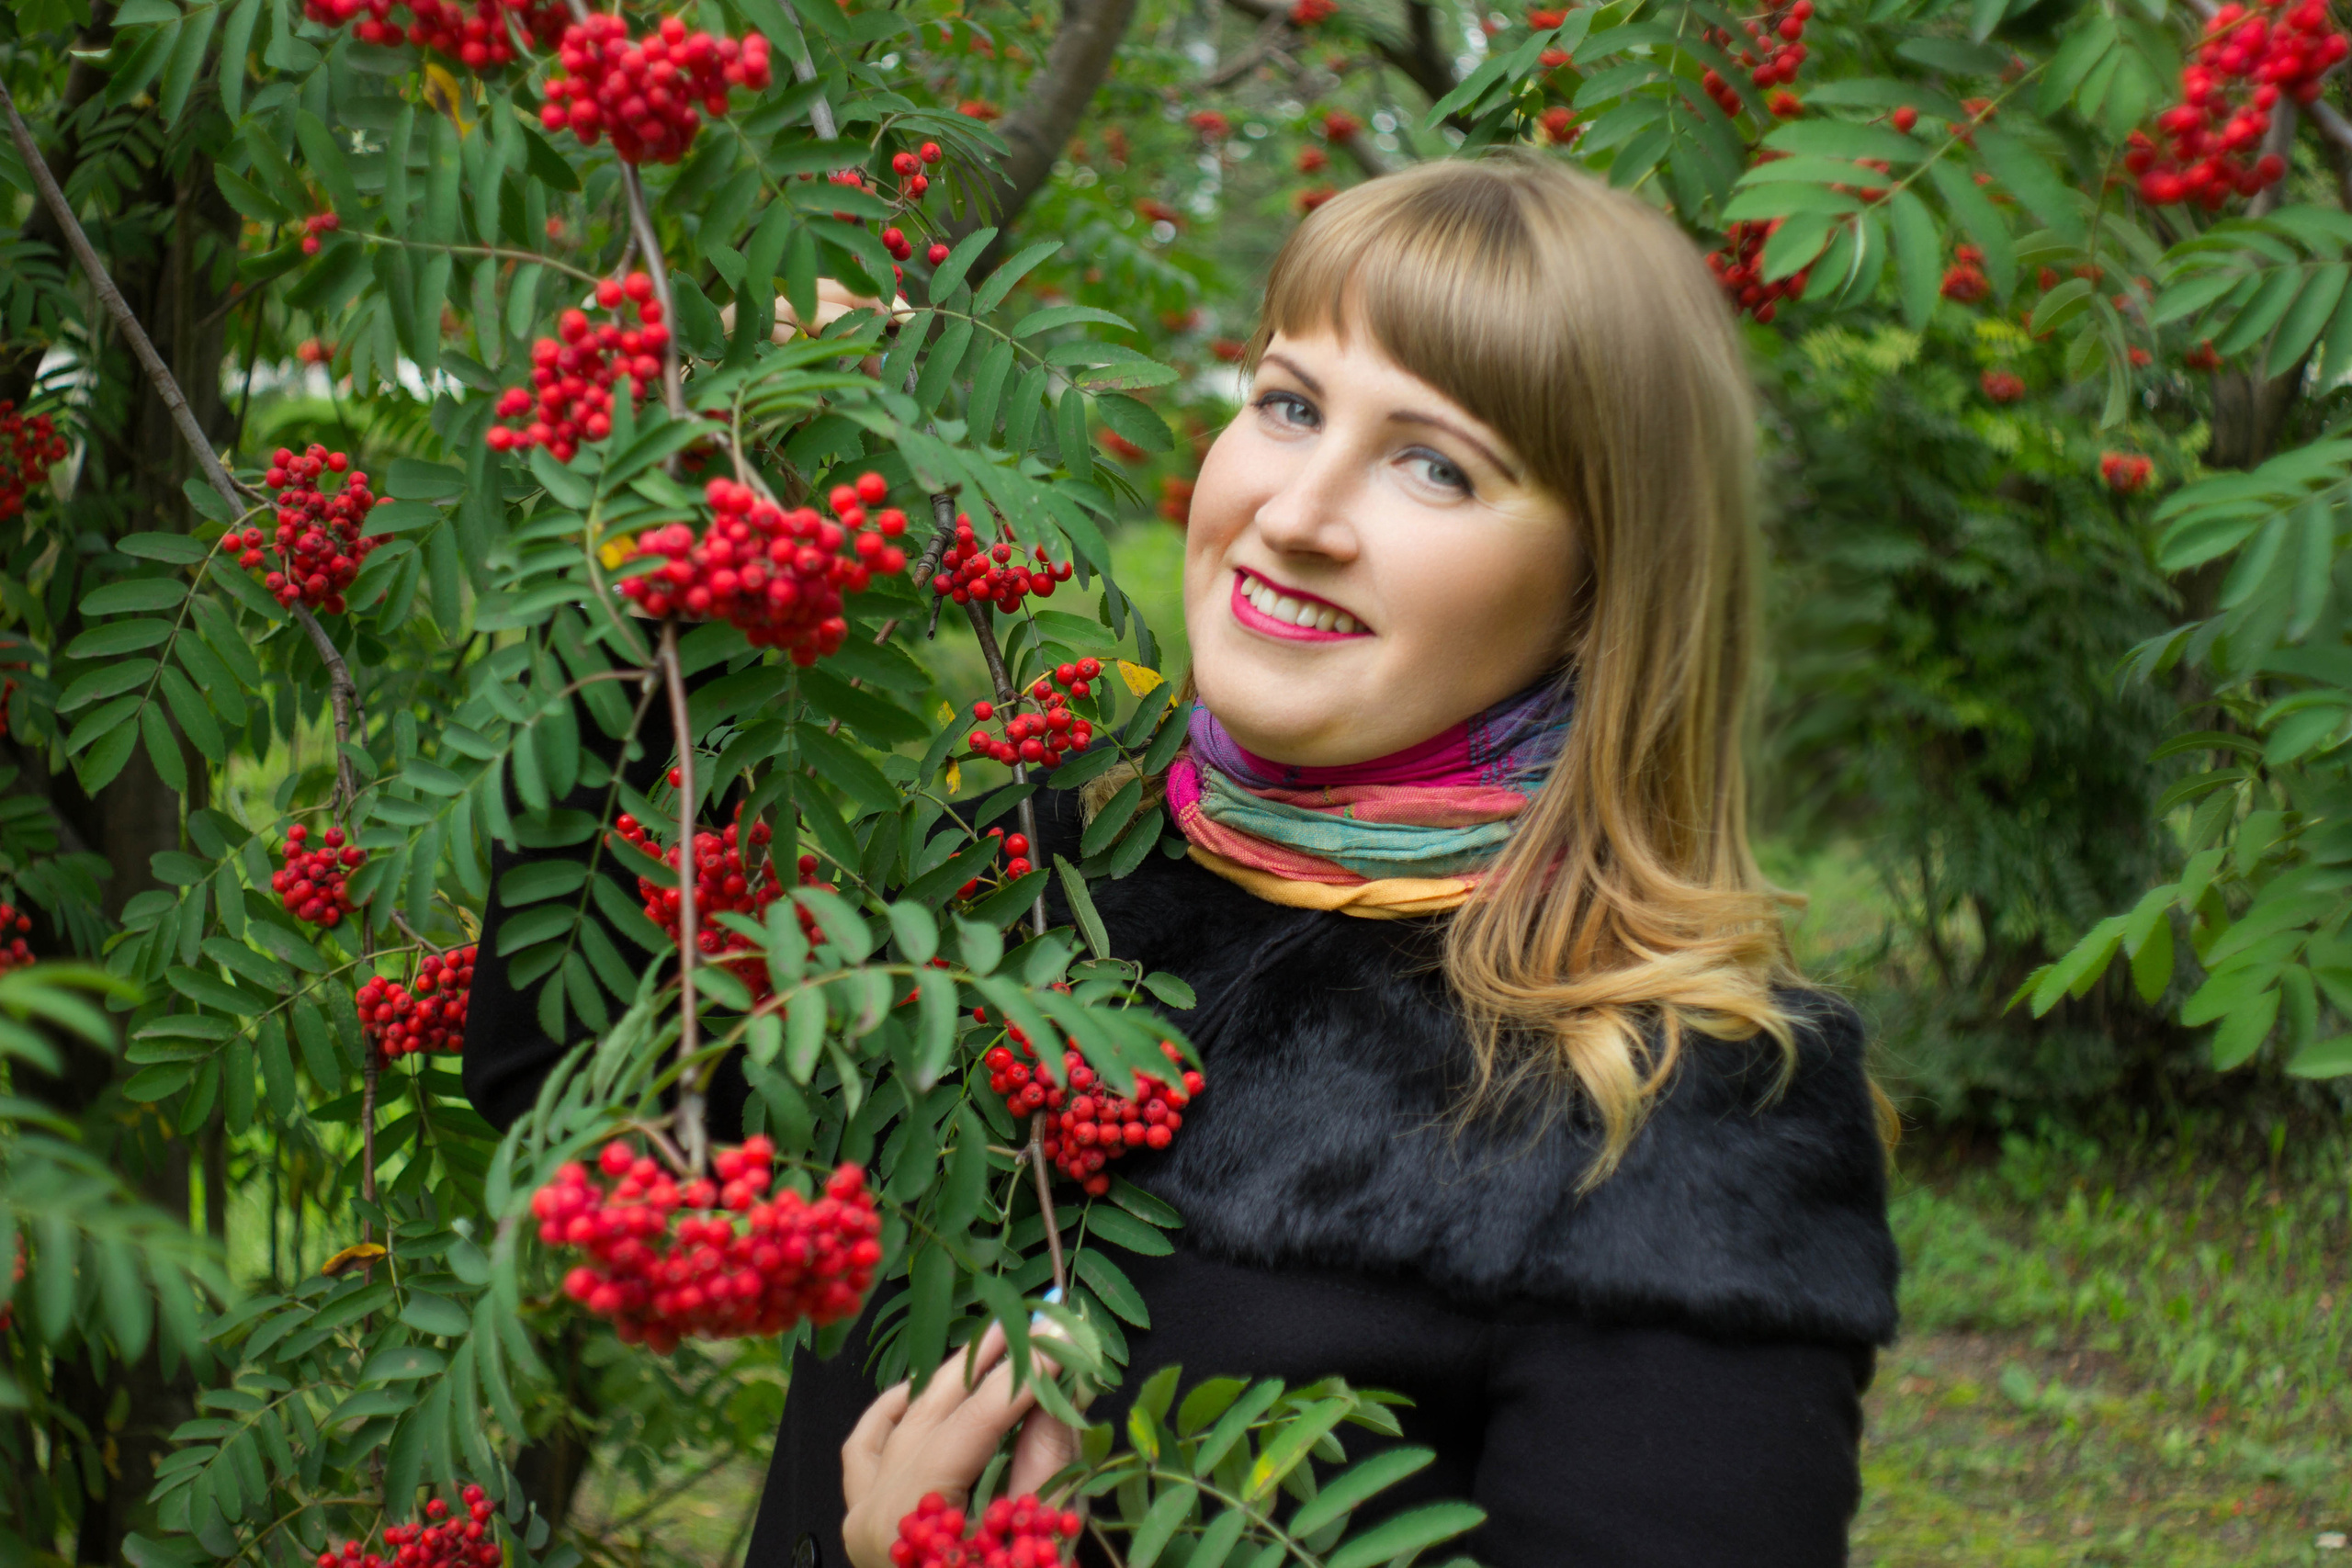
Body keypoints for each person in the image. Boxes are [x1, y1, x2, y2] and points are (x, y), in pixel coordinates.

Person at [465, 152, 1898, 1568]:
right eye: (1287, 403)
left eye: (1433, 464)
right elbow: (588, 1103)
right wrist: (703, 548)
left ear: (1603, 590)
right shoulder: (1029, 887)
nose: (1296, 513)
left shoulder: (1682, 1119)